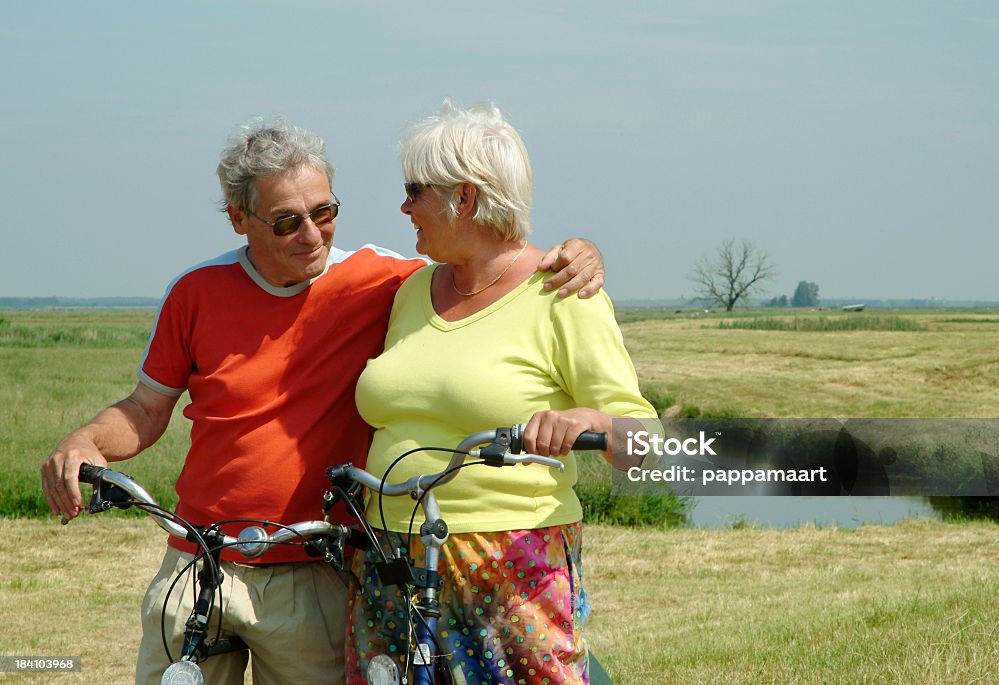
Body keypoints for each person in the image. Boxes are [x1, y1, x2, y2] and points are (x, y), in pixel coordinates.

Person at [38, 115, 606, 685]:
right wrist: (85, 440)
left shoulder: (389, 279)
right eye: (286, 222)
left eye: (324, 212)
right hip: (200, 559)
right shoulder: (195, 292)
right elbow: (145, 409)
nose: (311, 234)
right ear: (239, 219)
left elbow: (486, 259)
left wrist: (579, 251)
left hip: (317, 566)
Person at [347, 101, 657, 684]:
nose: (404, 205)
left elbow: (645, 442)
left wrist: (590, 418)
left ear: (463, 198)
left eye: (415, 190)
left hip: (508, 562)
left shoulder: (563, 293)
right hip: (389, 557)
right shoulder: (411, 290)